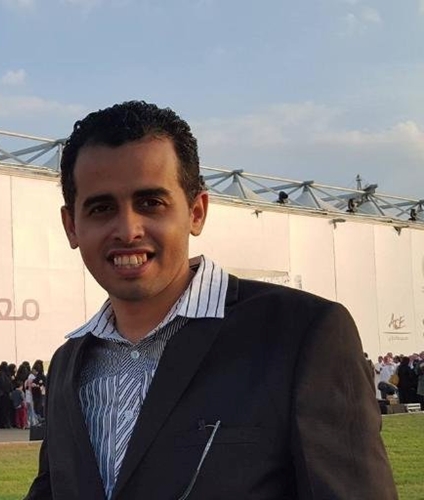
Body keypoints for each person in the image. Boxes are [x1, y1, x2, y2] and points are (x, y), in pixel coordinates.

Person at [25, 101, 397, 499]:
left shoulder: (300, 334)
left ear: (197, 212)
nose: (128, 230)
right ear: (72, 226)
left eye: (151, 203)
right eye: (101, 208)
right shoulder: (68, 364)